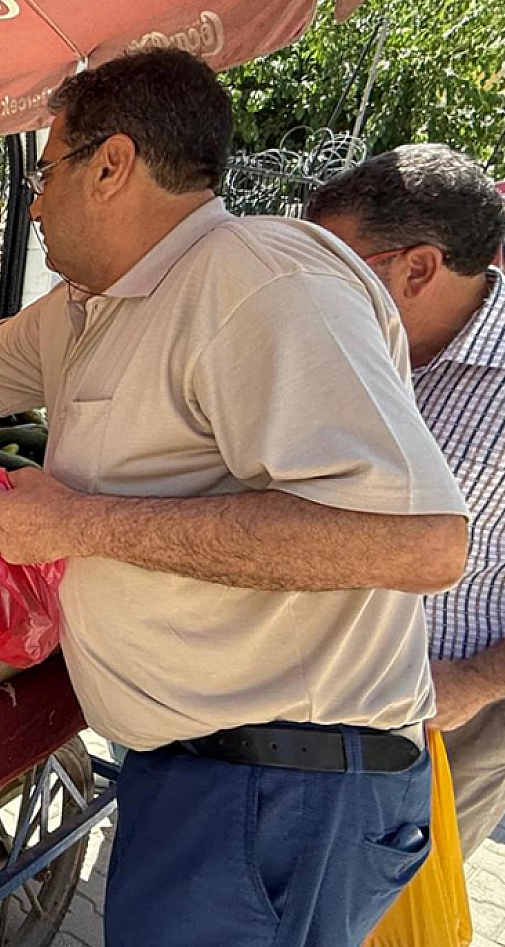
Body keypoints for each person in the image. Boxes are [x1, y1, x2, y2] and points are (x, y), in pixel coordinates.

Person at [0, 49, 469, 947]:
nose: (32, 197)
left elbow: (415, 543)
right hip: (207, 776)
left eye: (47, 168)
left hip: (285, 788)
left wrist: (75, 524)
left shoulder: (256, 280)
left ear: (111, 165)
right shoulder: (97, 305)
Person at [307, 144, 505, 859]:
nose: (309, 285)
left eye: (333, 265)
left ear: (417, 268)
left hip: (443, 716)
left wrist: (478, 681)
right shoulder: (341, 343)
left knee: (384, 910)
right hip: (302, 701)